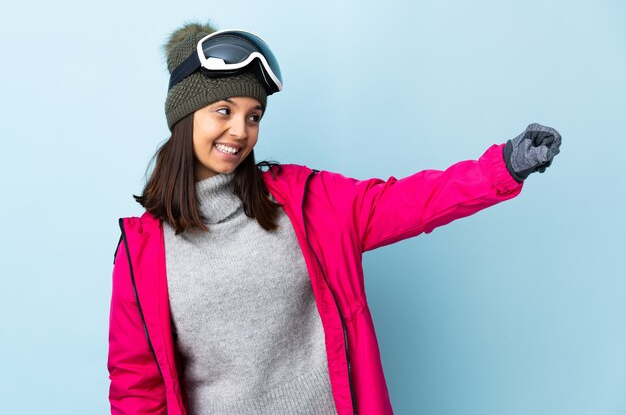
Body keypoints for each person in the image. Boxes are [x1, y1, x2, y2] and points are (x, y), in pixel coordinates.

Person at [107, 21, 562, 415]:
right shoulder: (143, 252)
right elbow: (136, 387)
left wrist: (501, 166)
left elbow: (409, 202)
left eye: (253, 116)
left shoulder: (305, 202)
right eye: (223, 111)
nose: (240, 131)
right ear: (185, 117)